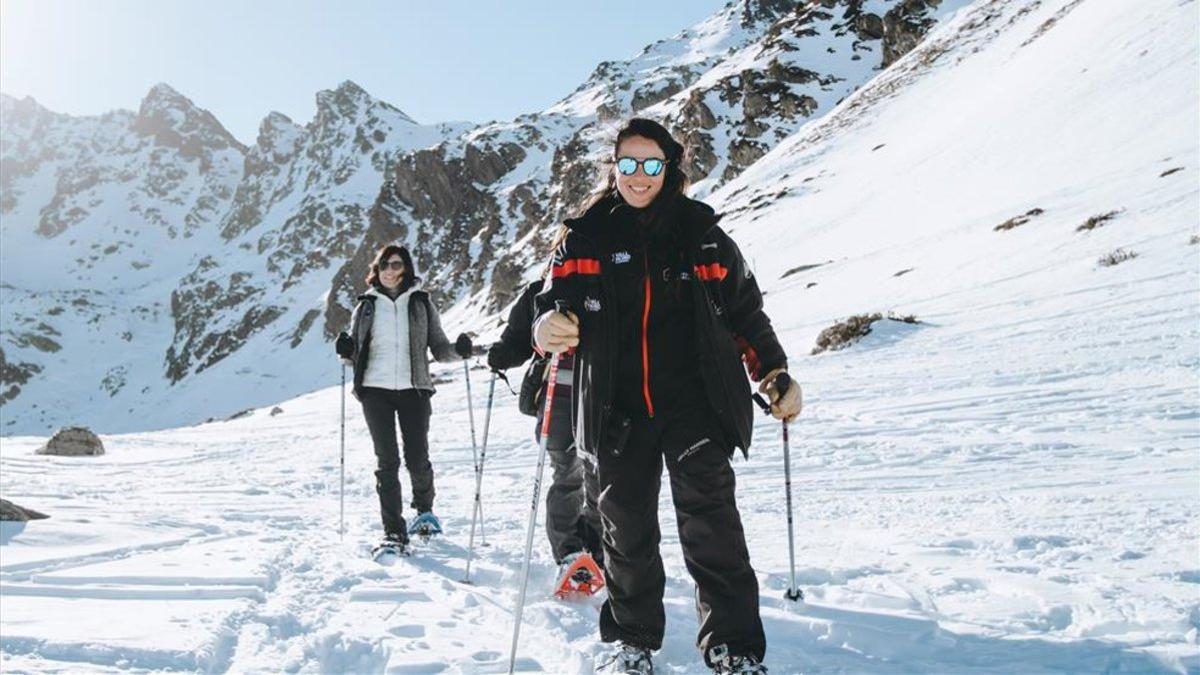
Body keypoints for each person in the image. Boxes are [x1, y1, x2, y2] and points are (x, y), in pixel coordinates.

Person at [532, 118, 802, 674]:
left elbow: (745, 310)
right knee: (626, 532)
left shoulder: (702, 235)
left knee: (713, 527)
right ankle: (632, 643)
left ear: (669, 168)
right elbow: (549, 303)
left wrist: (773, 371)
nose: (638, 176)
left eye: (650, 164)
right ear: (614, 168)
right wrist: (546, 329)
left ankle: (734, 648)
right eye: (626, 164)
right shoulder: (584, 237)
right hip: (616, 409)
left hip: (694, 405)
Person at [336, 244, 472, 558]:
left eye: (396, 264)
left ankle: (424, 511)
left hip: (414, 390)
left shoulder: (421, 304)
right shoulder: (366, 307)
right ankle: (393, 531)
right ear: (376, 270)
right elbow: (356, 353)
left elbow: (439, 347)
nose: (389, 270)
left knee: (417, 458)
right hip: (375, 391)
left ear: (406, 268)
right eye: (384, 265)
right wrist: (346, 350)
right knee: (387, 462)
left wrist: (460, 351)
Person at [487, 272, 604, 587]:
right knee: (568, 473)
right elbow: (518, 337)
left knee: (599, 478)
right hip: (558, 394)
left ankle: (596, 549)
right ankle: (569, 553)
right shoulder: (540, 290)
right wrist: (502, 353)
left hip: (600, 396)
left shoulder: (610, 279)